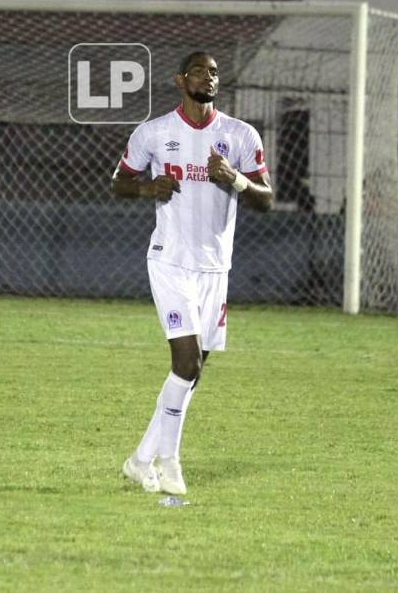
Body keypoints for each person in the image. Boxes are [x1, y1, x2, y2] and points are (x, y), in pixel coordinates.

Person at [111, 51, 274, 495]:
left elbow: (266, 198)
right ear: (181, 79)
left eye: (216, 72)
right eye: (200, 71)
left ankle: (140, 459)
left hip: (215, 267)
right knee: (185, 362)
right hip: (169, 260)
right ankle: (169, 461)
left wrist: (236, 180)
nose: (210, 77)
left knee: (195, 370)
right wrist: (148, 186)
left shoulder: (239, 135)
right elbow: (119, 181)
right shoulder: (156, 132)